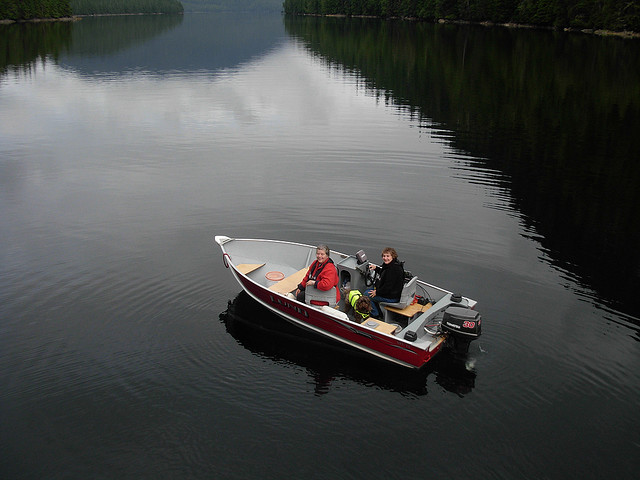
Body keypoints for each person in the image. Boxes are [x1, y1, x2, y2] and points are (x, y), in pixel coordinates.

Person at [364, 247, 404, 318]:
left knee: (366, 294)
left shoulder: (393, 270)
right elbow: (385, 274)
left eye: (388, 256)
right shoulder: (392, 265)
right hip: (391, 292)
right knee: (372, 288)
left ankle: (375, 314)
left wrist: (377, 292)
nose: (385, 258)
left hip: (392, 297)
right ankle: (376, 307)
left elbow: (388, 287)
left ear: (393, 256)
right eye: (384, 256)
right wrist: (376, 268)